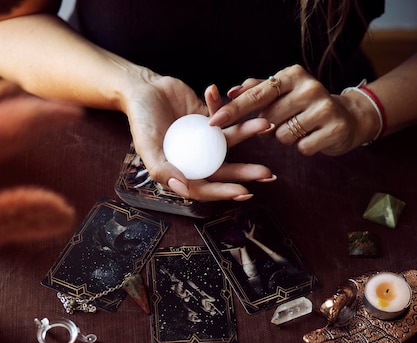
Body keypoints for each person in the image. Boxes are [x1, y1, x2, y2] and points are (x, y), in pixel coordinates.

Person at [0, 1, 416, 204]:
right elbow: (11, 25)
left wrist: (366, 111)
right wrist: (132, 85)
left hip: (329, 138)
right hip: (93, 106)